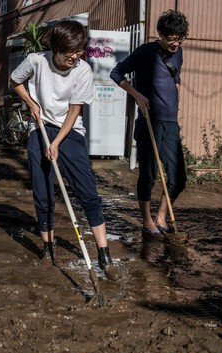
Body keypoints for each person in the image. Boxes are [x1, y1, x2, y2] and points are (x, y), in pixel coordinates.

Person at [10, 20, 119, 280]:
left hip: (69, 132)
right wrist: (31, 102)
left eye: (79, 50)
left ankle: (104, 253)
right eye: (69, 51)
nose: (74, 56)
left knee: (87, 192)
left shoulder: (82, 70)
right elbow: (15, 80)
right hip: (39, 127)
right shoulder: (36, 61)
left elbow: (74, 111)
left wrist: (57, 142)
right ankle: (48, 249)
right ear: (55, 48)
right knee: (43, 192)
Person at [110, 10, 188, 240]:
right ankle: (147, 221)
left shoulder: (178, 53)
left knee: (178, 177)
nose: (175, 43)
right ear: (161, 34)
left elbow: (176, 79)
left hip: (170, 122)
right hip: (149, 121)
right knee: (149, 174)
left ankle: (162, 216)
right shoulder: (146, 52)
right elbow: (116, 73)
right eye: (171, 38)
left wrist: (175, 103)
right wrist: (137, 95)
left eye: (180, 38)